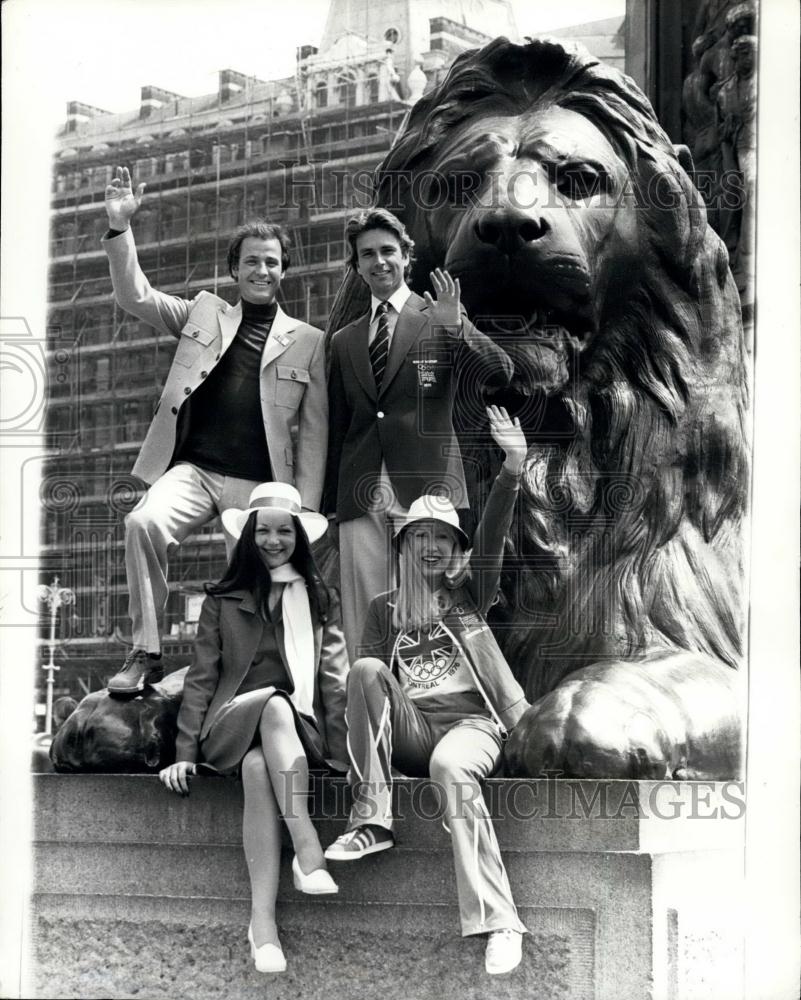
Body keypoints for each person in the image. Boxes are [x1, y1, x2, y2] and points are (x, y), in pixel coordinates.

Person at [101, 166, 328, 694]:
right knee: (143, 523)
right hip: (195, 472)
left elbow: (314, 432)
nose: (262, 270)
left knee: (254, 590)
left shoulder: (308, 341)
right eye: (252, 261)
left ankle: (258, 683)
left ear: (284, 272)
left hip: (260, 488)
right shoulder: (203, 312)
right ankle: (146, 651)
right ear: (235, 270)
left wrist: (308, 509)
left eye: (272, 263)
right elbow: (136, 297)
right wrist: (119, 228)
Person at [325, 405, 530, 976]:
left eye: (444, 537)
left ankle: (500, 919)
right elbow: (369, 698)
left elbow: (491, 534)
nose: (433, 546)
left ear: (456, 549)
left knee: (450, 766)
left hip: (472, 729)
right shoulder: (381, 611)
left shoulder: (470, 596)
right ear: (405, 546)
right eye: (422, 536)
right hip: (411, 731)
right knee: (364, 672)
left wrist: (512, 466)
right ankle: (372, 821)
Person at [159, 482, 347, 975]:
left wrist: (346, 755)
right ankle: (307, 849)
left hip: (295, 735)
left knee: (262, 763)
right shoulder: (221, 600)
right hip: (228, 727)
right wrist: (182, 751)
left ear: (298, 538)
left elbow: (334, 683)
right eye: (263, 531)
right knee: (272, 705)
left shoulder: (319, 599)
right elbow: (201, 681)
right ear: (248, 536)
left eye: (284, 531)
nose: (273, 540)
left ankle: (262, 924)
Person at [323, 208, 513, 659]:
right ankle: (372, 723)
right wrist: (330, 507)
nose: (378, 261)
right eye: (366, 254)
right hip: (361, 493)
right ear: (356, 266)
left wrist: (457, 326)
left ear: (407, 257)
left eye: (388, 251)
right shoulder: (344, 341)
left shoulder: (439, 318)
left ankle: (434, 717)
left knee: (432, 615)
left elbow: (501, 372)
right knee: (365, 627)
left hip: (429, 490)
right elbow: (337, 427)